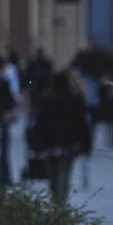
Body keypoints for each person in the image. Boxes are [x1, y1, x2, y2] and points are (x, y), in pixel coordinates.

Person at [27, 70, 92, 204]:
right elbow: (82, 122)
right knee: (64, 171)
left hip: (49, 143)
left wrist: (36, 142)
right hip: (70, 143)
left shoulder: (46, 99)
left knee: (52, 172)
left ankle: (55, 198)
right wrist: (85, 142)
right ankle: (60, 200)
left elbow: (39, 122)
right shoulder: (75, 100)